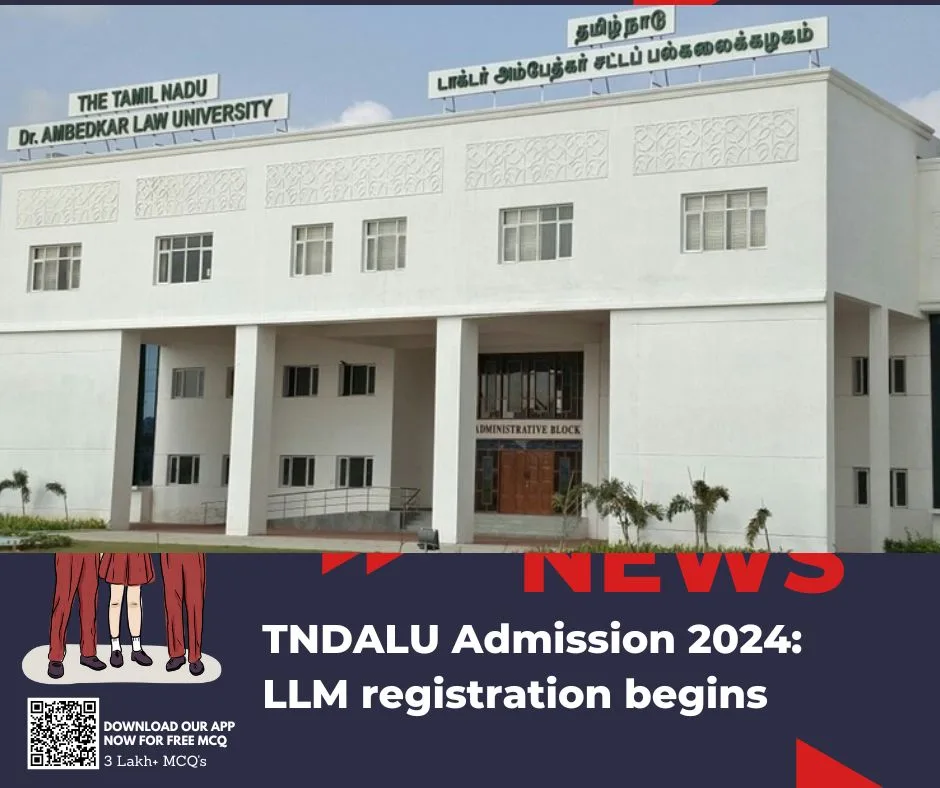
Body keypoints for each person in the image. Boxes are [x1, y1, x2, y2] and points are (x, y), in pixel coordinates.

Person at [48, 553, 107, 679]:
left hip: (91, 552)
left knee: (90, 603)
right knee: (63, 603)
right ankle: (55, 657)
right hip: (67, 552)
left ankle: (88, 653)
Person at [99, 553, 155, 668]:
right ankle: (115, 647)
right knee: (115, 602)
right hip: (116, 551)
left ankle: (136, 648)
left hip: (136, 552)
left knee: (134, 602)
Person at [160, 553, 206, 676]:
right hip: (170, 550)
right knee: (172, 604)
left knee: (195, 602)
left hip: (193, 550)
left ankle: (195, 656)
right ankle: (177, 654)